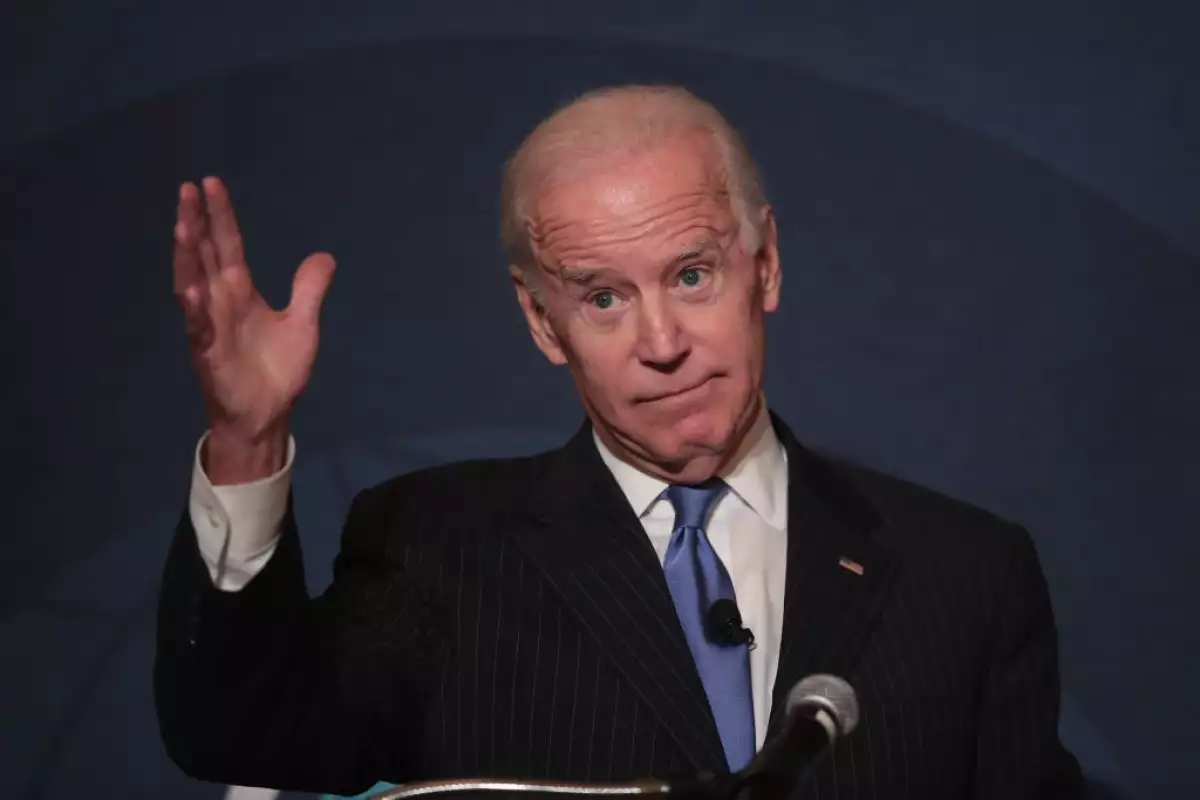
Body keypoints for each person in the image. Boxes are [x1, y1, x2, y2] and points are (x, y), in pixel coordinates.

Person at [156, 85, 1085, 799]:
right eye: (603, 297)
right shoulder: (438, 546)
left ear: (765, 263)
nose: (663, 342)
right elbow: (239, 733)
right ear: (542, 322)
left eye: (691, 275)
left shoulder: (965, 573)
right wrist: (249, 436)